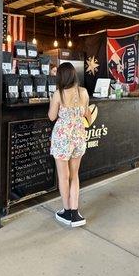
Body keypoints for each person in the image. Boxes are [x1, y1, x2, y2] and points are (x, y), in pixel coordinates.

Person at [48, 62, 91, 226]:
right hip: (79, 136)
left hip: (62, 137)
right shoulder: (84, 92)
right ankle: (75, 211)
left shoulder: (58, 93)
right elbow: (87, 114)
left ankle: (67, 212)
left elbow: (52, 117)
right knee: (75, 174)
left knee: (63, 176)